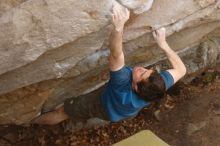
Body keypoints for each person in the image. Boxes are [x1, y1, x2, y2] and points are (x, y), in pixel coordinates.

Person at [31, 4, 186, 125]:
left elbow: (116, 54)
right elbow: (181, 69)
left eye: (141, 74)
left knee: (62, 113)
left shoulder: (121, 84)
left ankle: (32, 122)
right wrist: (163, 44)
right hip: (123, 113)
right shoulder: (156, 86)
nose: (141, 69)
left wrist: (118, 27)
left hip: (102, 105)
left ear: (135, 87)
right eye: (148, 71)